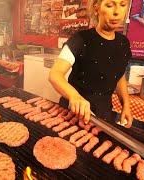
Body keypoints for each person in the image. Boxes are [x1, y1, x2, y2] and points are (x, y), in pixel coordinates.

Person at [49, 0, 133, 128]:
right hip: (72, 115)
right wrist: (74, 96)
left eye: (122, 5)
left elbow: (119, 75)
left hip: (104, 116)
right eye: (110, 5)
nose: (117, 12)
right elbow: (55, 74)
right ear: (97, 8)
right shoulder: (80, 39)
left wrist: (126, 105)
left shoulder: (123, 43)